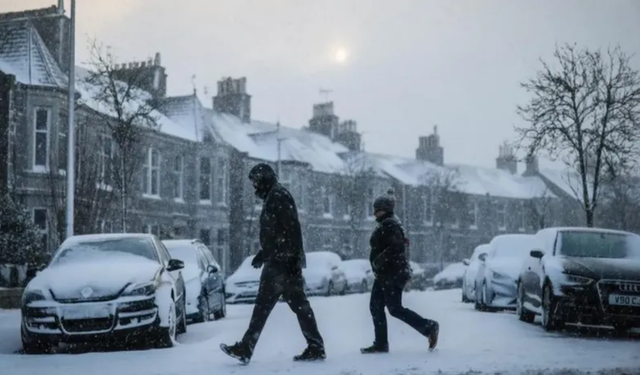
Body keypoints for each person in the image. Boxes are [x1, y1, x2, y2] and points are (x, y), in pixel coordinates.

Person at [220, 163, 325, 364]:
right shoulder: (274, 196)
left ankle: (246, 347)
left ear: (265, 179)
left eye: (256, 182)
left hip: (281, 263)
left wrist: (289, 259)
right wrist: (263, 253)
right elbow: (277, 233)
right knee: (299, 306)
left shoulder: (278, 196)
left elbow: (290, 230)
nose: (254, 187)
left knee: (264, 307)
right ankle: (315, 346)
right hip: (281, 261)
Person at [360, 188, 439, 354]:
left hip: (391, 274)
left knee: (395, 308)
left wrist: (378, 261)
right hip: (384, 274)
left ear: (385, 210)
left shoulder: (390, 225)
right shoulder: (388, 223)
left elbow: (395, 248)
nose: (374, 213)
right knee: (376, 306)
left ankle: (429, 327)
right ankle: (381, 343)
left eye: (377, 209)